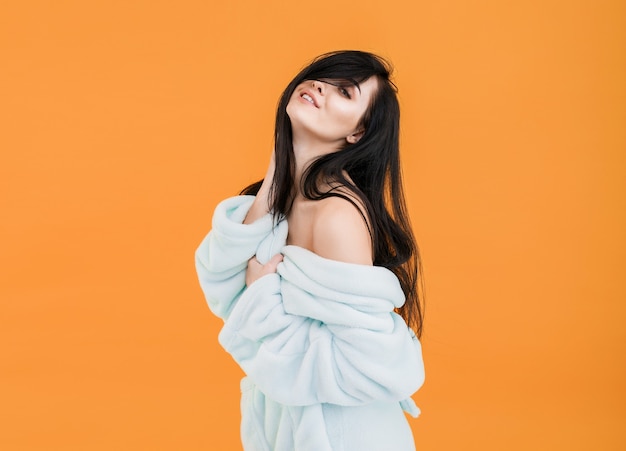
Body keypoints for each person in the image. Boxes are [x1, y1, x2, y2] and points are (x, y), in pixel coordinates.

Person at [195, 50, 425, 451]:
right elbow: (223, 285)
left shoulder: (337, 214)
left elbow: (366, 364)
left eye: (344, 92)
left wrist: (264, 301)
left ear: (357, 133)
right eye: (322, 78)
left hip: (345, 436)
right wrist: (279, 169)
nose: (320, 87)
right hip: (292, 427)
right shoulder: (282, 203)